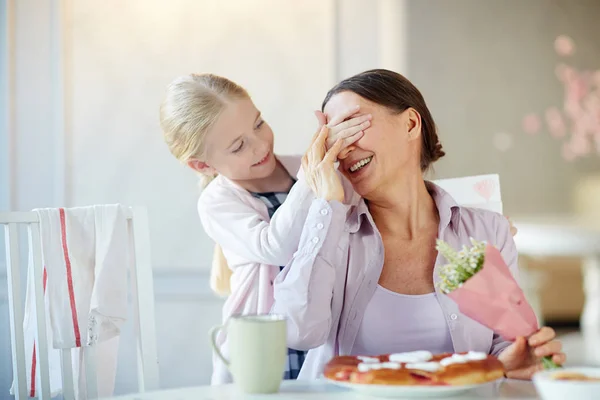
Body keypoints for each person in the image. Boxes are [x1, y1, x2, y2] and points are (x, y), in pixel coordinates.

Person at [272, 69, 565, 380]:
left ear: (410, 124)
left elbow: (506, 343)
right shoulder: (330, 230)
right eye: (331, 138)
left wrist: (509, 363)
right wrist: (326, 203)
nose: (342, 149)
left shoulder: (486, 232)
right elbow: (297, 331)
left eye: (350, 126)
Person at [158, 73, 369, 384]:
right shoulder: (218, 202)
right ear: (202, 165)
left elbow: (356, 218)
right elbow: (276, 247)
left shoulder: (305, 167)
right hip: (263, 347)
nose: (260, 145)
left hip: (325, 334)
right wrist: (314, 172)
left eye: (258, 124)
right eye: (239, 145)